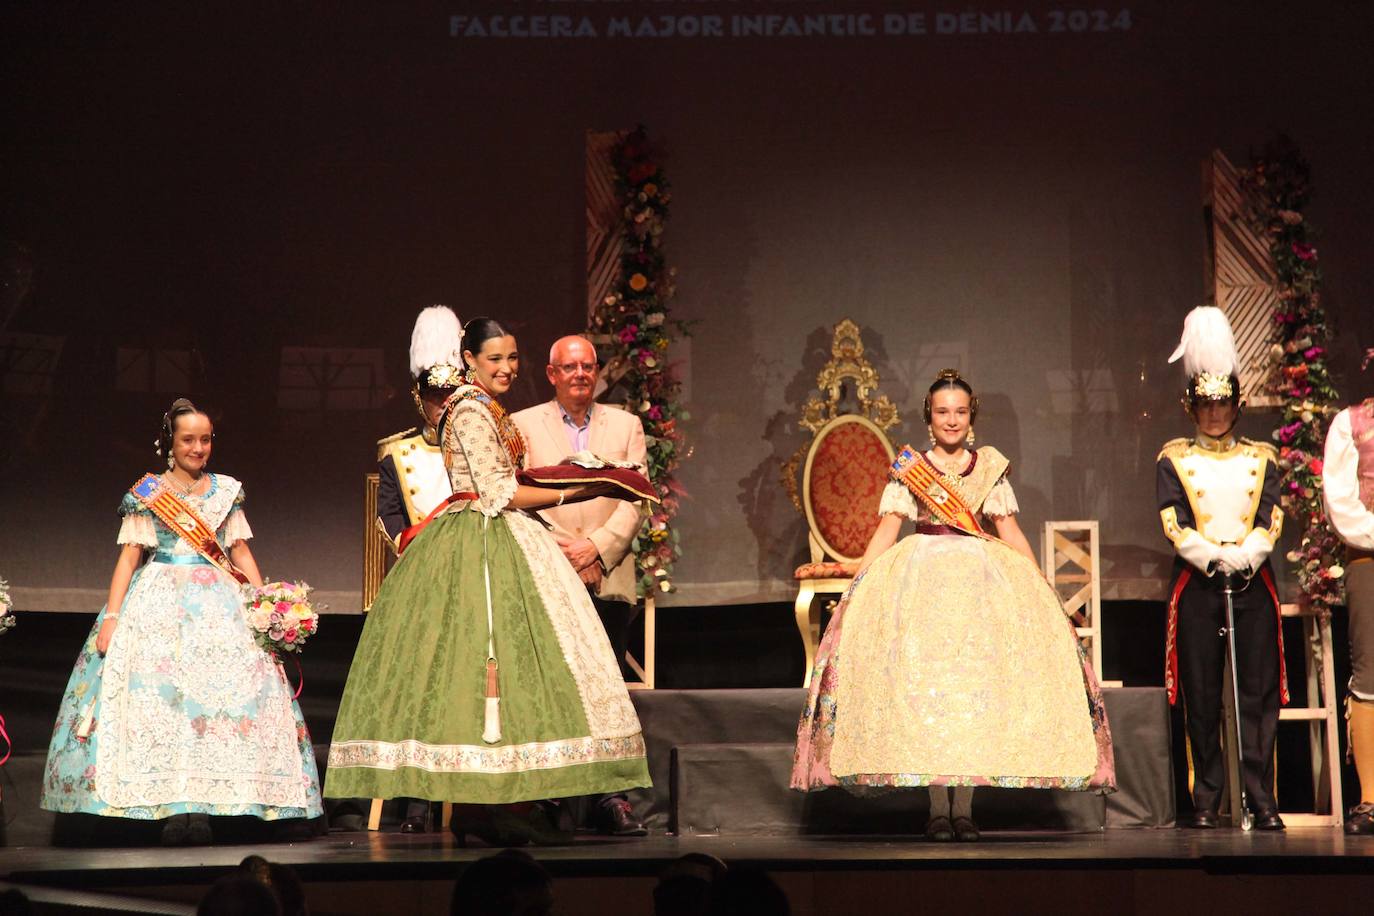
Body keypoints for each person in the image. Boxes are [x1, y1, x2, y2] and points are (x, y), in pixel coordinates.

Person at [325, 317, 651, 845]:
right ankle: (490, 803)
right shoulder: (470, 409)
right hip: (479, 540)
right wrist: (584, 490)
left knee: (529, 667)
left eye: (513, 357)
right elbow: (499, 493)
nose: (506, 367)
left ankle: (512, 798)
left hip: (502, 536)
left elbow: (512, 481)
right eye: (494, 358)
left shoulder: (486, 408)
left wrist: (576, 474)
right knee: (488, 666)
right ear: (469, 361)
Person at [792, 369, 1114, 841]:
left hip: (979, 587)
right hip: (920, 583)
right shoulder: (910, 468)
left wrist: (1039, 584)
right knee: (929, 695)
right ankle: (936, 808)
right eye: (943, 412)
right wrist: (859, 582)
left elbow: (1008, 530)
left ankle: (965, 808)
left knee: (972, 694)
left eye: (960, 412)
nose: (952, 420)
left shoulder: (988, 467)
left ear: (971, 417)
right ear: (929, 418)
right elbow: (887, 530)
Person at [41, 399, 323, 846]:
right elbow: (128, 559)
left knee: (225, 702)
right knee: (167, 702)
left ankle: (223, 804)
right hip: (159, 601)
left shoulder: (227, 490)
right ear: (169, 442)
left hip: (222, 603)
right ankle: (170, 807)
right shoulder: (149, 493)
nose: (198, 448)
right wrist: (113, 617)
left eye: (205, 439)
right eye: (188, 439)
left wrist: (265, 603)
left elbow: (241, 553)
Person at [511, 334, 648, 837]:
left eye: (587, 366)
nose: (579, 375)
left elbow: (636, 500)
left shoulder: (626, 426)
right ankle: (548, 795)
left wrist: (597, 548)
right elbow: (515, 495)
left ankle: (610, 796)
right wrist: (566, 553)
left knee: (607, 686)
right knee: (550, 685)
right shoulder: (523, 425)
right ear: (551, 374)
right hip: (549, 573)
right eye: (569, 367)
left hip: (607, 575)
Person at [1157, 305, 1286, 830]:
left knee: (1256, 693)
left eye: (1222, 404)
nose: (1214, 414)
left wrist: (1248, 552)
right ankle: (1206, 799)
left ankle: (1262, 798)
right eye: (1206, 405)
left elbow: (1272, 514)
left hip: (1253, 578)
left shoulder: (1263, 456)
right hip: (1199, 580)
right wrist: (1212, 555)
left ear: (1237, 405)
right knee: (1203, 693)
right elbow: (1173, 520)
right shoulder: (1174, 458)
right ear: (1193, 407)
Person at [367, 304, 463, 833]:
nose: (440, 406)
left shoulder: (477, 442)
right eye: (433, 397)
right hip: (420, 584)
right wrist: (422, 547)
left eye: (448, 397)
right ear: (418, 397)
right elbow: (389, 517)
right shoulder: (396, 453)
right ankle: (416, 796)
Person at [1321, 352, 1374, 835]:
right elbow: (1341, 500)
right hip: (1370, 555)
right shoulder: (1350, 424)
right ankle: (1371, 798)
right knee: (1371, 670)